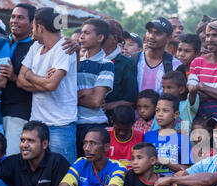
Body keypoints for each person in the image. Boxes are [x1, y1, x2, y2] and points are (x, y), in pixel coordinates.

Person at [17, 7, 78, 164]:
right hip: (37, 123)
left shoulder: (65, 47)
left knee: (64, 176)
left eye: (33, 26)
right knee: (36, 174)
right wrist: (44, 81)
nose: (31, 30)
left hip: (61, 125)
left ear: (40, 27)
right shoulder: (35, 46)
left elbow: (50, 85)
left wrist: (31, 76)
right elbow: (20, 81)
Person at [0, 4, 35, 156]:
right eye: (13, 17)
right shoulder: (0, 43)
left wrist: (14, 76)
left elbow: (38, 84)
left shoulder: (36, 48)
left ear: (32, 23)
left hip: (18, 112)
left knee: (12, 157)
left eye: (20, 17)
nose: (14, 21)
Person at [76, 18, 114, 158]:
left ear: (100, 37)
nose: (81, 36)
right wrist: (84, 93)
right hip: (73, 123)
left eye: (86, 33)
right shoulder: (75, 61)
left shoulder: (106, 64)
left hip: (94, 124)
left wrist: (71, 97)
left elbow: (95, 102)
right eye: (81, 32)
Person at [143, 93, 192, 176]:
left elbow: (189, 170)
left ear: (176, 114)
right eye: (157, 110)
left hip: (173, 183)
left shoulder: (183, 139)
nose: (160, 114)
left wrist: (166, 162)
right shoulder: (147, 136)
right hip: (149, 181)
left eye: (165, 110)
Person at [133, 17, 184, 95]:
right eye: (149, 32)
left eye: (158, 33)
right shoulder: (133, 59)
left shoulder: (175, 66)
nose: (151, 36)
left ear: (169, 38)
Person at [101, 20, 138, 117]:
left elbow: (131, 99)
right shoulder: (92, 59)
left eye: (103, 34)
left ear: (114, 38)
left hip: (114, 120)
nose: (99, 37)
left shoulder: (126, 63)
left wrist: (108, 106)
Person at [106, 105, 144, 170]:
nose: (122, 133)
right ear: (111, 120)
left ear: (134, 123)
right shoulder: (105, 135)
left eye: (126, 130)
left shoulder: (140, 136)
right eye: (118, 129)